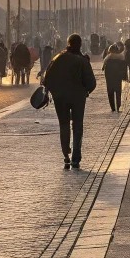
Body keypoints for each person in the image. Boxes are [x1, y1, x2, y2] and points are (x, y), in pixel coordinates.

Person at [43, 34, 96, 169]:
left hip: (60, 98)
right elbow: (91, 83)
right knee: (78, 126)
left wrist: (55, 91)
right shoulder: (82, 60)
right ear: (80, 44)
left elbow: (46, 79)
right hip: (78, 98)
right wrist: (85, 91)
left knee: (64, 125)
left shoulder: (58, 58)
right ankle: (76, 158)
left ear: (68, 43)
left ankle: (66, 154)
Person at [101, 43, 128, 112]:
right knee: (118, 92)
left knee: (110, 93)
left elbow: (104, 69)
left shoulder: (107, 59)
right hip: (118, 78)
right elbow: (124, 69)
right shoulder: (121, 58)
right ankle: (118, 106)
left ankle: (112, 107)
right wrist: (124, 77)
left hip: (109, 79)